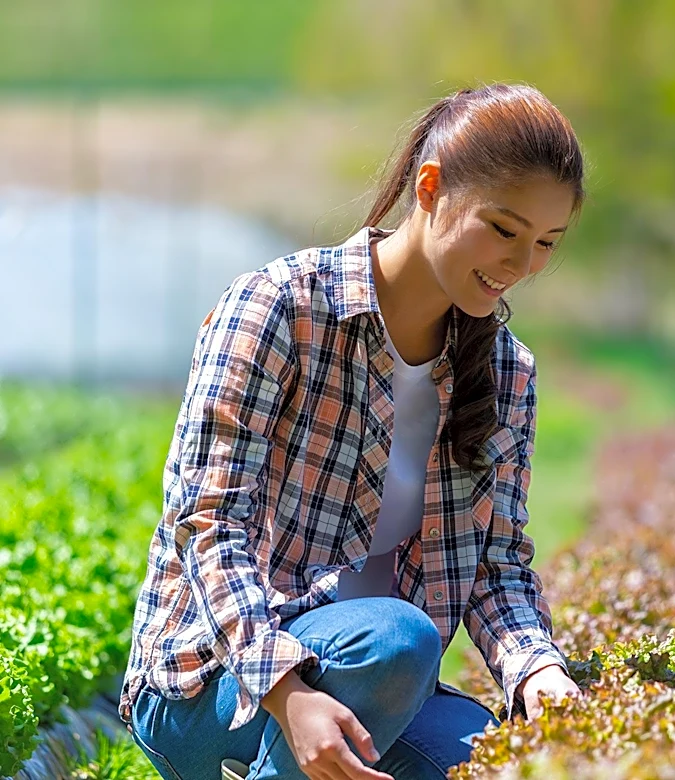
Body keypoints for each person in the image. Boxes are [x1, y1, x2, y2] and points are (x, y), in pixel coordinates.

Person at [119, 81, 587, 780]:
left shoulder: (507, 373)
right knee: (400, 638)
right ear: (430, 189)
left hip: (380, 684)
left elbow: (497, 568)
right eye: (503, 229)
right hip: (216, 683)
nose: (521, 267)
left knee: (487, 758)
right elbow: (208, 523)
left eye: (547, 242)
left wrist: (537, 674)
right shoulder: (280, 309)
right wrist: (287, 694)